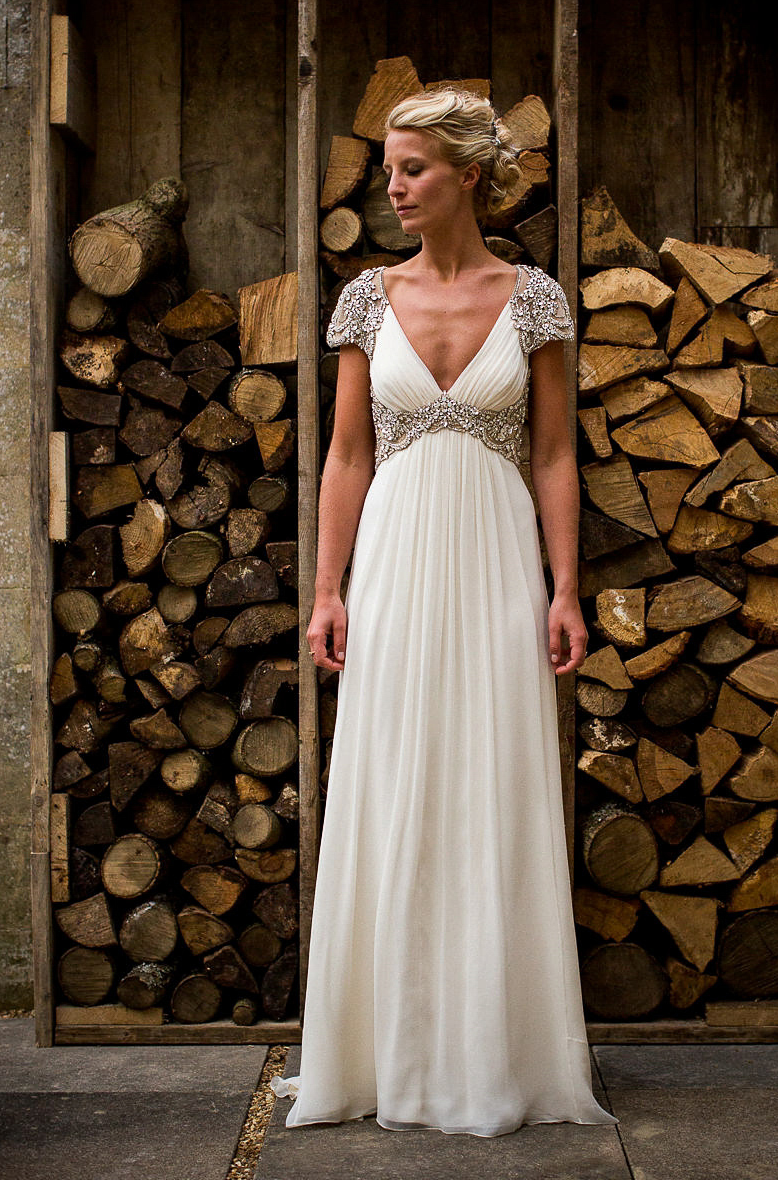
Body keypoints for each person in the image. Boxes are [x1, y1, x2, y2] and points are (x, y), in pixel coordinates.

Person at [271, 88, 616, 1136]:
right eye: (385, 166)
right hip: (396, 561)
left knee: (491, 782)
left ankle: (492, 1053)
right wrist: (327, 591)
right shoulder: (365, 301)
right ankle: (382, 1054)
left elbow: (555, 454)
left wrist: (565, 588)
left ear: (469, 174)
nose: (391, 184)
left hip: (500, 559)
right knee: (393, 777)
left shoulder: (539, 299)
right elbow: (344, 456)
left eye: (412, 166)